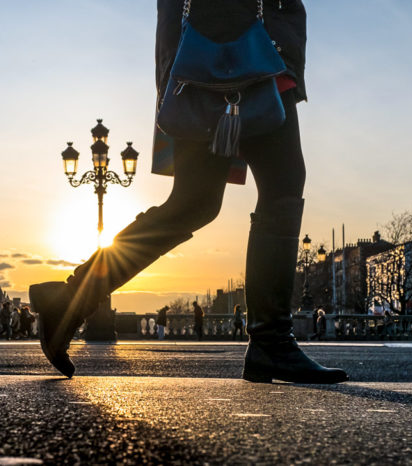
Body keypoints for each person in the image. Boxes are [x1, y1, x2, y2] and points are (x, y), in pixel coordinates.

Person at [28, 0, 346, 383]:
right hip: (238, 50)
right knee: (278, 188)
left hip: (215, 54)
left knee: (196, 202)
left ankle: (69, 299)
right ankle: (270, 343)